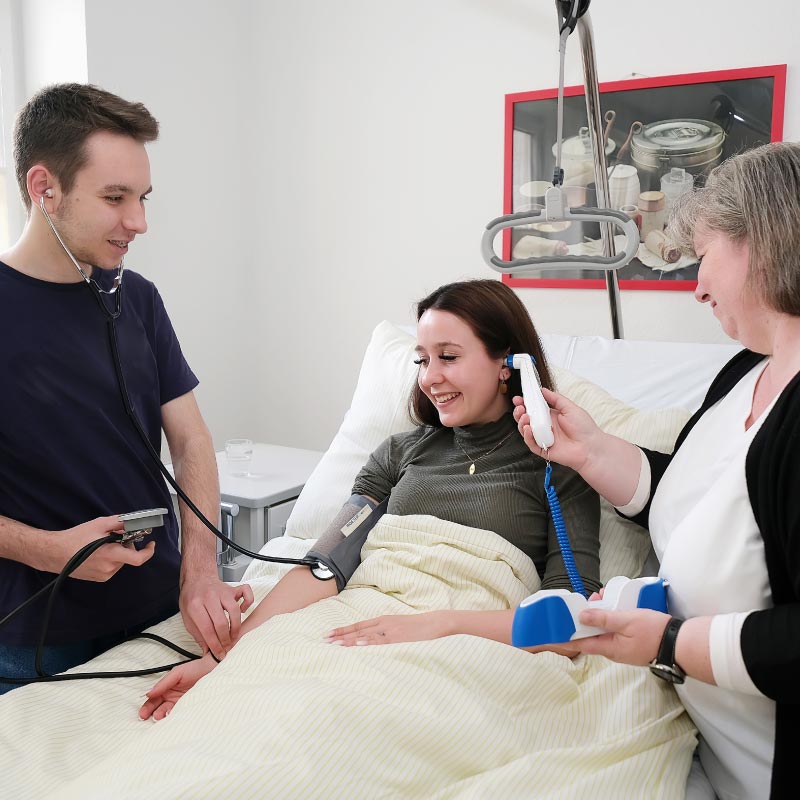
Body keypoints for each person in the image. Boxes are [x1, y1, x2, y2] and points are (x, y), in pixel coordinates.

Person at [139, 279, 600, 720]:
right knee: (259, 697)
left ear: (508, 363)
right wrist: (225, 658)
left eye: (449, 357)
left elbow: (569, 618)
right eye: (422, 360)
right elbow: (327, 562)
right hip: (359, 616)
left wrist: (439, 625)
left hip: (461, 642)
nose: (430, 378)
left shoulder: (556, 465)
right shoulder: (399, 453)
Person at [512, 142, 800, 800]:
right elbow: (704, 499)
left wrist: (670, 642)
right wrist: (589, 450)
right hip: (696, 732)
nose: (696, 286)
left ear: (762, 241)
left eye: (705, 258)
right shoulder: (746, 371)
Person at [0, 83, 252, 692]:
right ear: (44, 189)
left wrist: (200, 573)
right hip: (38, 643)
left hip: (161, 612)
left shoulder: (135, 297)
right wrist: (45, 550)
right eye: (115, 198)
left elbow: (191, 442)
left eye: (141, 197)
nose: (138, 222)